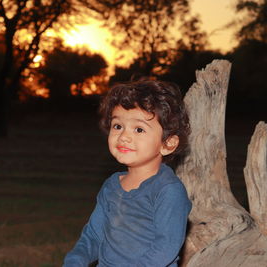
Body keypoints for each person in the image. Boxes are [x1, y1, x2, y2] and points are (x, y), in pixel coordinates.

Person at [63, 79, 192, 266]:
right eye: (118, 126)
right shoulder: (111, 186)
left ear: (168, 144)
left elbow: (165, 248)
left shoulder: (168, 191)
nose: (124, 136)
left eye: (138, 129)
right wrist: (75, 260)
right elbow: (93, 235)